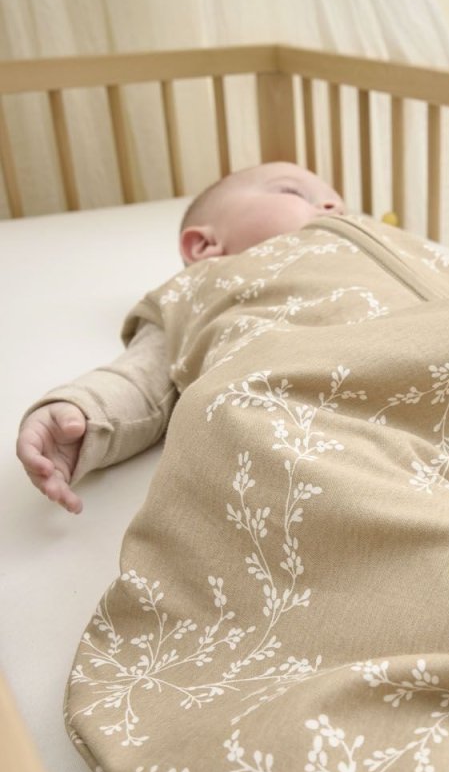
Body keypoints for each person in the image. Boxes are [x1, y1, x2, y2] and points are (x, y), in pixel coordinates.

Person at [16, 161, 345, 516]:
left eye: (343, 207)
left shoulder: (380, 261)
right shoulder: (199, 293)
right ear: (204, 245)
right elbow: (141, 379)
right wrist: (83, 415)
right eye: (294, 192)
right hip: (305, 437)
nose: (335, 206)